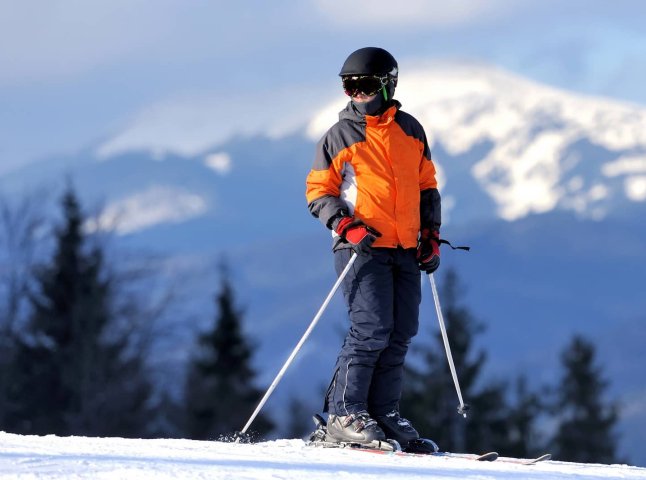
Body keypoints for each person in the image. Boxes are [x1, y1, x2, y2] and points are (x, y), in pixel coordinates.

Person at [305, 47, 442, 448]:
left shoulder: (411, 130)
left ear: (388, 83)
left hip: (404, 246)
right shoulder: (340, 136)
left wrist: (430, 235)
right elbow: (318, 191)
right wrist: (344, 224)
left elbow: (426, 187)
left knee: (401, 331)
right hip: (360, 247)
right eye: (349, 86)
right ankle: (345, 412)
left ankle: (383, 412)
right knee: (371, 328)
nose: (357, 94)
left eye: (364, 85)